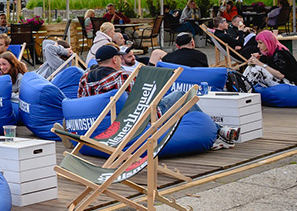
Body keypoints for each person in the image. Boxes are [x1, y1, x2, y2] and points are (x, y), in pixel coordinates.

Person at [81, 46, 238, 146]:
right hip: (136, 121)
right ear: (115, 59)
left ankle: (219, 130)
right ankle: (218, 130)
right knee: (180, 95)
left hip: (102, 126)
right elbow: (144, 103)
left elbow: (82, 103)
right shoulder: (122, 77)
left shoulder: (85, 78)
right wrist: (158, 118)